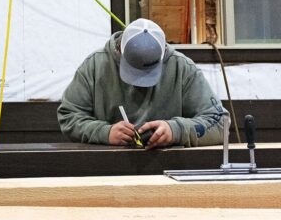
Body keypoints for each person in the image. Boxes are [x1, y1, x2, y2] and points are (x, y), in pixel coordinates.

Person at [57, 18, 228, 149]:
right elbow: (69, 116)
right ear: (120, 51)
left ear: (163, 56)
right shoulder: (95, 66)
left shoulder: (181, 68)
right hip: (106, 169)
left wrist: (176, 130)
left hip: (168, 170)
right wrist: (104, 133)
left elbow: (220, 123)